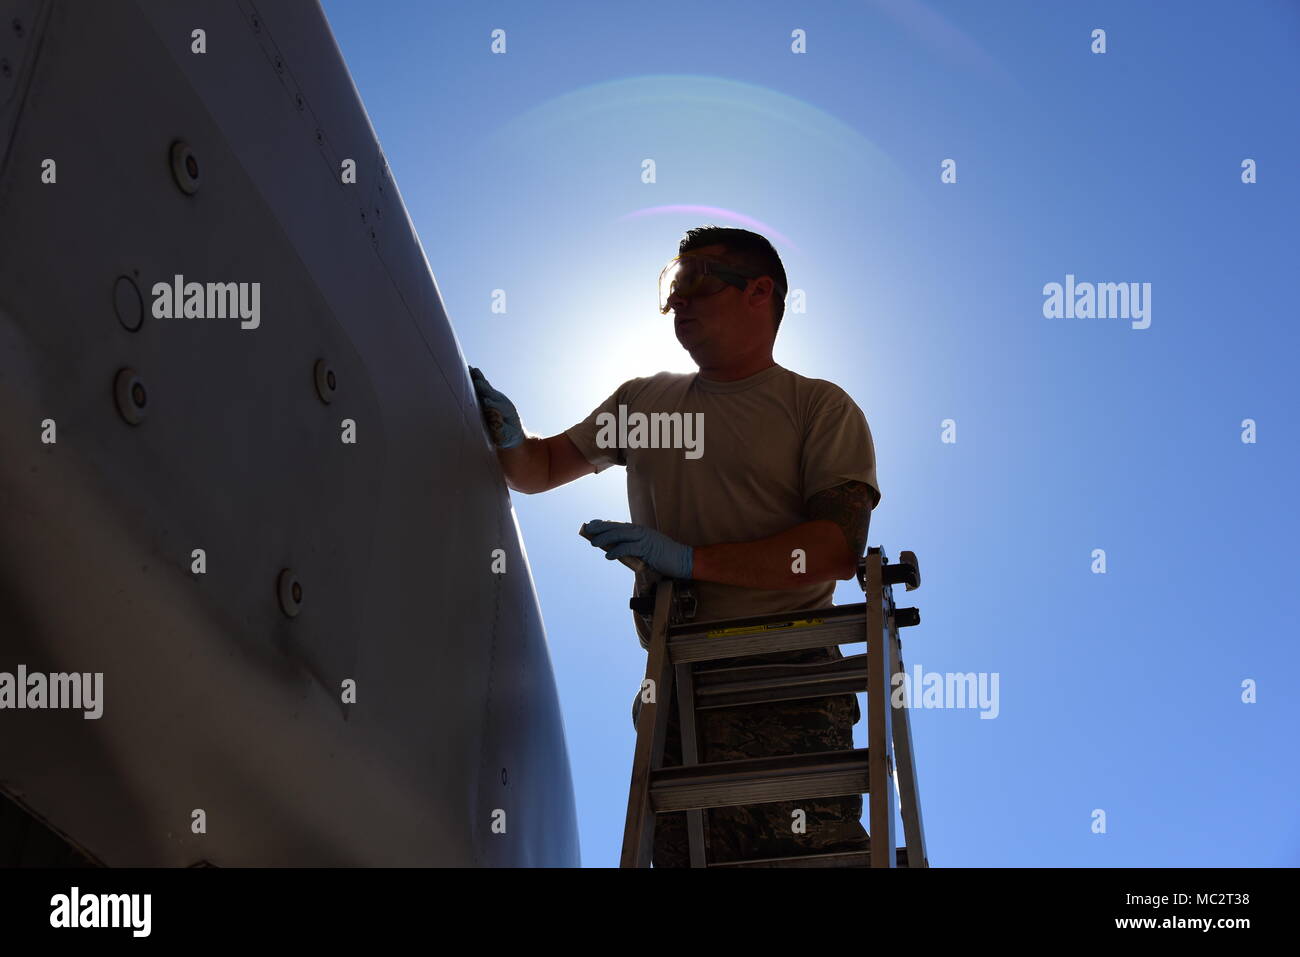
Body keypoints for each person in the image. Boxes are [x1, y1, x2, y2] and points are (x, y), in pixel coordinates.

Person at [470, 225, 881, 866]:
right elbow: (541, 469)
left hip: (784, 677)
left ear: (759, 292)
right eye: (670, 286)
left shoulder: (817, 408)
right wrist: (509, 436)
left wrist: (691, 561)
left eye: (694, 283)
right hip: (677, 681)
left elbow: (830, 550)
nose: (676, 303)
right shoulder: (644, 402)